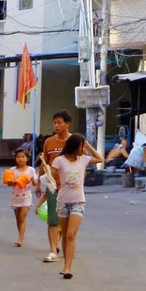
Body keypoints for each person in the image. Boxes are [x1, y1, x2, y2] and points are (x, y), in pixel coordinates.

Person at [38, 111, 91, 263]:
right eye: (54, 122)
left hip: (72, 189)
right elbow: (45, 163)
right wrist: (38, 182)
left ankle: (65, 250)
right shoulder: (49, 142)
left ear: (68, 123)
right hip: (53, 187)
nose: (56, 125)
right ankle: (53, 250)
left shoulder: (76, 141)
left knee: (67, 226)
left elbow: (83, 164)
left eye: (60, 122)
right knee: (52, 220)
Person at [3, 148, 40, 247]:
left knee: (22, 217)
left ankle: (20, 238)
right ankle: (21, 236)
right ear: (15, 159)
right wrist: (12, 182)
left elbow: (36, 183)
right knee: (18, 219)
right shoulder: (12, 170)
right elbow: (9, 184)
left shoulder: (31, 170)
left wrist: (32, 179)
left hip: (26, 198)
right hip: (15, 197)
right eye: (18, 157)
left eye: (23, 157)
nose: (20, 159)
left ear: (27, 158)